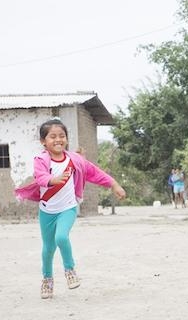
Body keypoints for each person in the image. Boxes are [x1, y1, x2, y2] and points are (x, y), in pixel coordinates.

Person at [14, 118, 126, 299]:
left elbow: (95, 173)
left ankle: (70, 270)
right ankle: (47, 280)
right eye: (52, 137)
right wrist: (53, 180)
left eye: (62, 136)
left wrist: (114, 184)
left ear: (66, 139)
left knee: (61, 237)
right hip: (47, 211)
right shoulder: (40, 159)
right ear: (43, 141)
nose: (58, 140)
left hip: (68, 208)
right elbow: (40, 176)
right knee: (48, 249)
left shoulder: (75, 160)